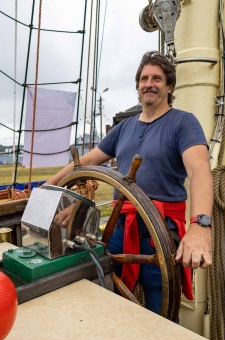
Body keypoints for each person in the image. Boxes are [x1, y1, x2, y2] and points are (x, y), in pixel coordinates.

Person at [46, 50, 214, 314]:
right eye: (144, 78)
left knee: (161, 312)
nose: (149, 84)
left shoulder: (183, 123)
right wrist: (50, 185)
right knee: (110, 299)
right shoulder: (124, 128)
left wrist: (201, 225)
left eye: (157, 79)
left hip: (158, 235)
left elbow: (200, 169)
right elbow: (88, 161)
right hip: (118, 230)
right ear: (138, 86)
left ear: (169, 86)